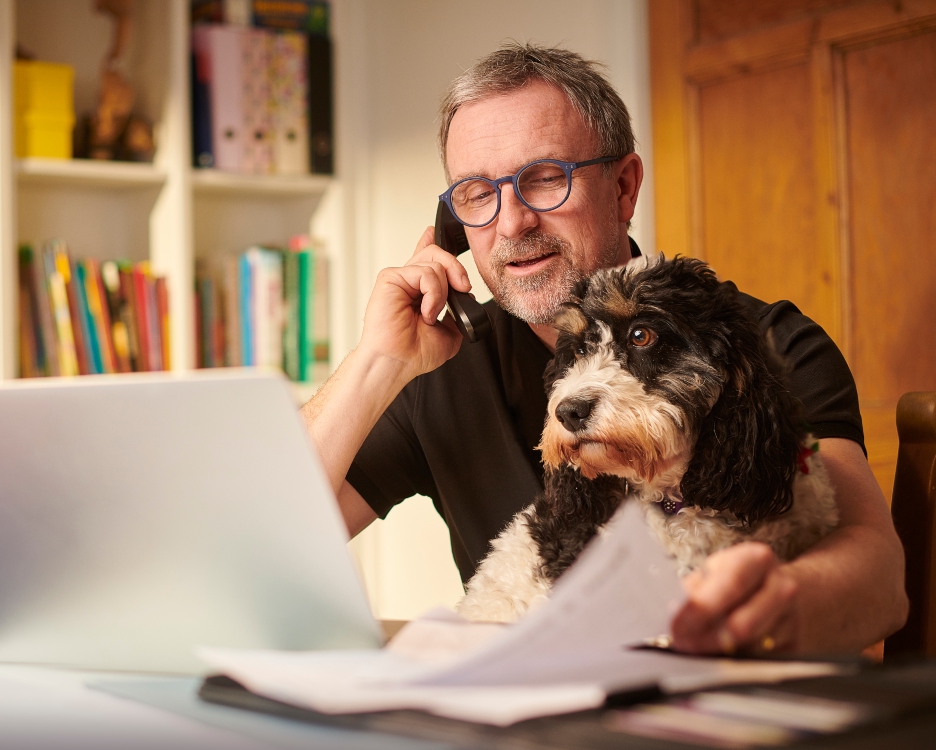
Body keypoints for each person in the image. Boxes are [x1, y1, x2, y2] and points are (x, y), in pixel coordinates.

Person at [303, 43, 907, 655]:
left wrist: (762, 610)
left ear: (623, 188)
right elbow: (253, 538)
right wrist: (377, 362)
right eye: (477, 194)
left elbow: (880, 580)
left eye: (544, 179)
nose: (511, 225)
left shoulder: (764, 345)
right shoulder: (440, 364)